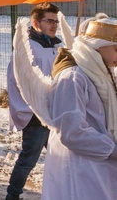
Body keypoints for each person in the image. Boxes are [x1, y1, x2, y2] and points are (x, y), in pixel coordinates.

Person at [41, 17, 117, 199]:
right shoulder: (73, 77)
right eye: (116, 49)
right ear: (97, 45)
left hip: (101, 165)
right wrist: (113, 149)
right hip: (78, 167)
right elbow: (71, 133)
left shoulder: (101, 73)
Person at [5, 2, 62, 200]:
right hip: (37, 113)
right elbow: (17, 79)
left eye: (56, 21)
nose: (54, 25)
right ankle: (12, 196)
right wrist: (34, 105)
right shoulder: (28, 48)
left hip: (57, 112)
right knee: (29, 158)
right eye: (49, 21)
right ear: (36, 23)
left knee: (62, 157)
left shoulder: (58, 46)